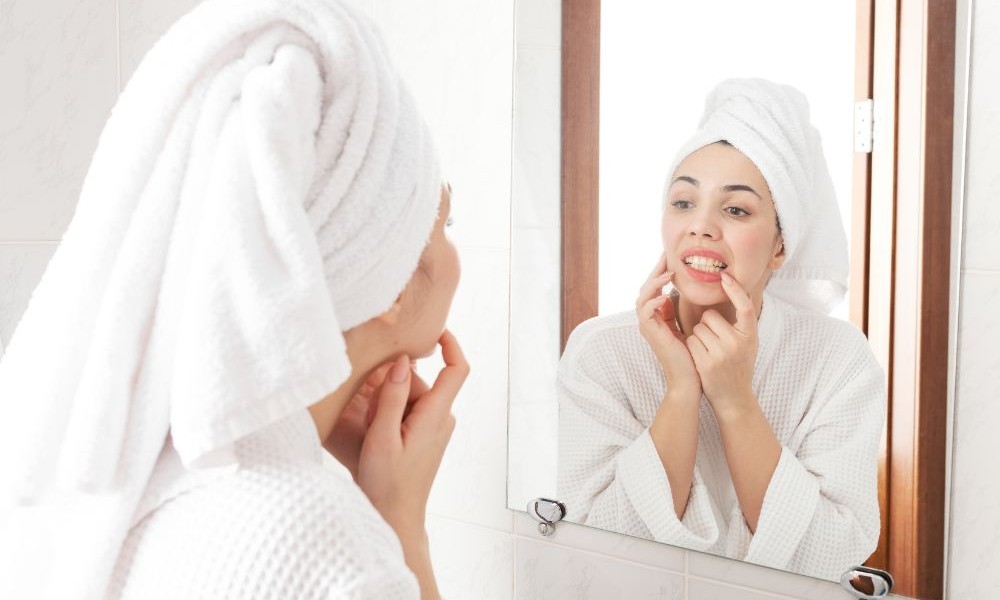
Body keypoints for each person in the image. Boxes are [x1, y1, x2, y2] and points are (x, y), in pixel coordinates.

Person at [0, 1, 467, 598]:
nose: (457, 254)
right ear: (394, 282)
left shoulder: (122, 468)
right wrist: (403, 529)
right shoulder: (322, 548)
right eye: (446, 226)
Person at [557, 78, 884, 581]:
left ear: (781, 246)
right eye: (684, 202)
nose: (701, 226)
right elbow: (595, 544)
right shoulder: (601, 352)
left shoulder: (836, 358)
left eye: (735, 209)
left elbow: (832, 552)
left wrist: (734, 400)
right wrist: (681, 390)